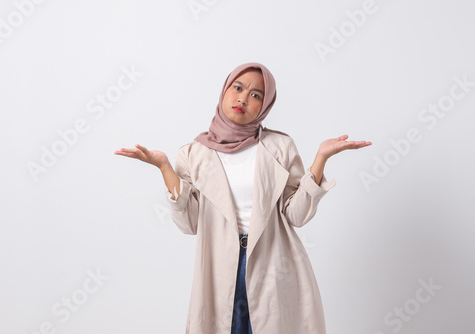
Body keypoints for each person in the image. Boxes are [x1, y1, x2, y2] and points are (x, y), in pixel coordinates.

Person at [115, 62, 371, 334]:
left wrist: (320, 159)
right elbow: (190, 223)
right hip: (219, 265)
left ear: (265, 105)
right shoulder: (192, 154)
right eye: (238, 88)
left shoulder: (279, 147)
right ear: (225, 90)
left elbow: (296, 215)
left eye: (256, 94)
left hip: (273, 264)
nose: (243, 98)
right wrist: (165, 167)